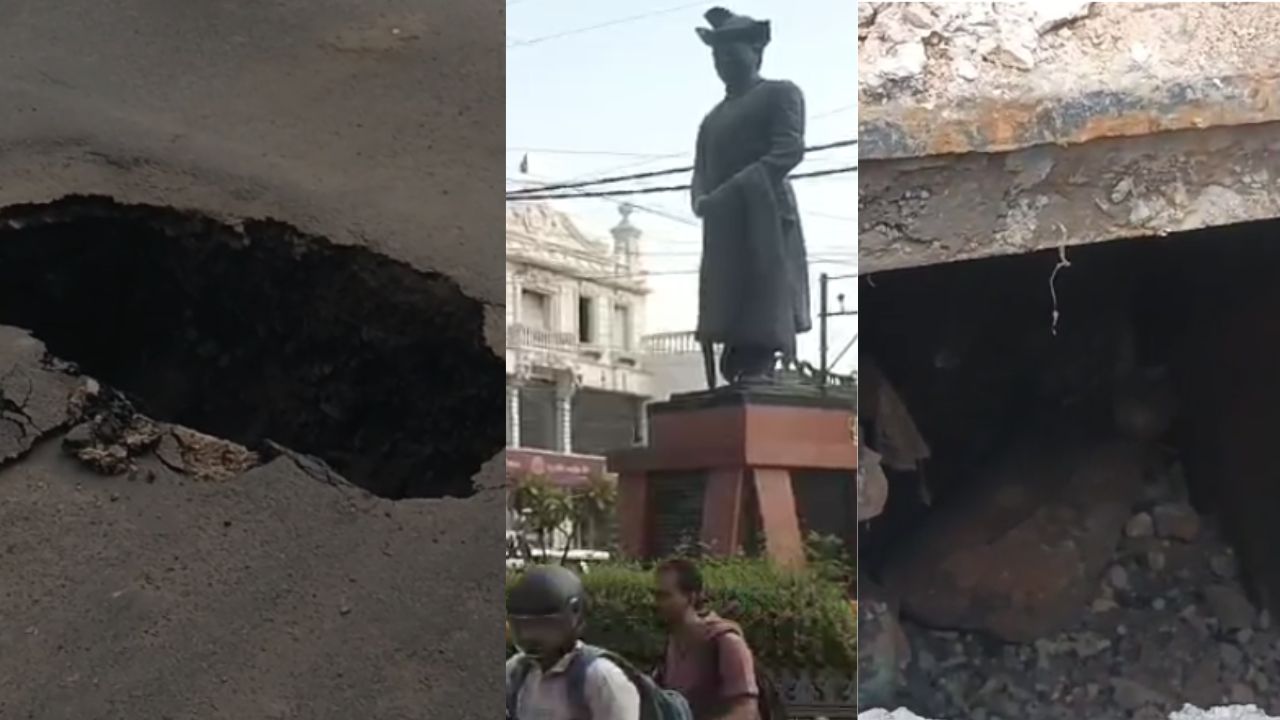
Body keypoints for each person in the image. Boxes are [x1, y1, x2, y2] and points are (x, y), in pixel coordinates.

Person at [690, 7, 811, 387]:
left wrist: (732, 191)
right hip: (723, 222)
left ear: (755, 51)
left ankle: (761, 355)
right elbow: (700, 170)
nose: (723, 60)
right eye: (716, 54)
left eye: (731, 51)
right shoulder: (712, 118)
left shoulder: (779, 93)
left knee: (763, 288)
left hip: (764, 212)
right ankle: (736, 355)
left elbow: (786, 151)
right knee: (726, 292)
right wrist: (701, 199)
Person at [506, 564, 641, 720]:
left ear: (574, 619)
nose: (531, 637)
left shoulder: (601, 678)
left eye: (544, 627)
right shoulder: (517, 672)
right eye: (523, 628)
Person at [653, 559, 769, 720]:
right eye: (656, 595)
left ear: (690, 597)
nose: (657, 603)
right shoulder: (672, 644)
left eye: (665, 596)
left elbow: (745, 712)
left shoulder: (726, 642)